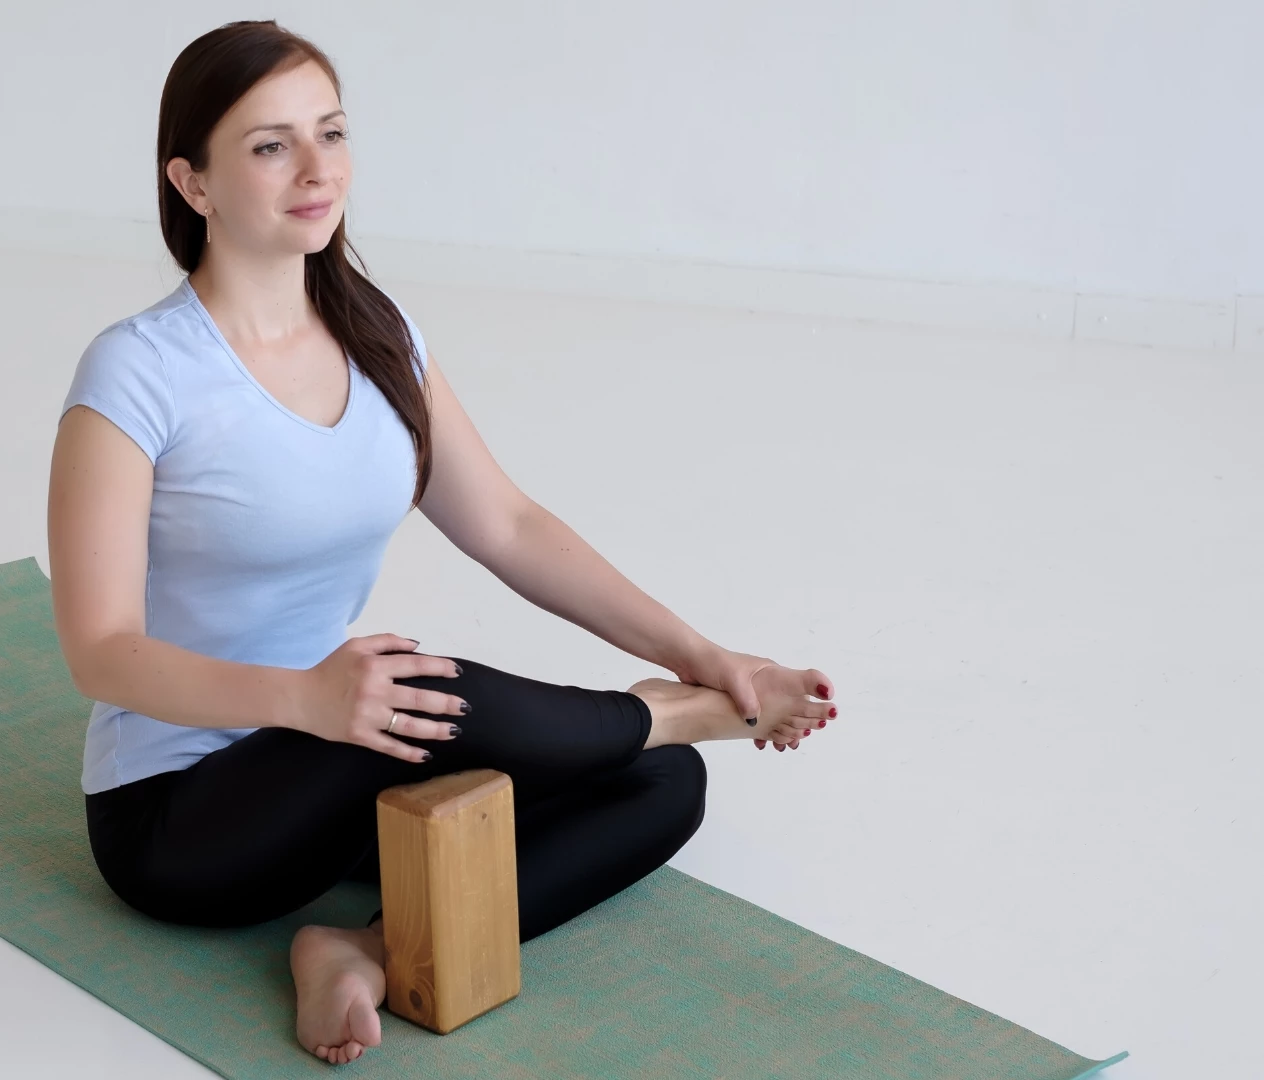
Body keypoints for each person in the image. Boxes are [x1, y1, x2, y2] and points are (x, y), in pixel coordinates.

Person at [44, 20, 837, 1068]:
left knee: (662, 784)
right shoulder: (136, 375)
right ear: (193, 183)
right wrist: (302, 700)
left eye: (331, 132)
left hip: (340, 748)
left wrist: (707, 651)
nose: (318, 169)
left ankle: (359, 951)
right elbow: (98, 650)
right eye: (271, 145)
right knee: (430, 684)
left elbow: (507, 525)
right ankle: (658, 713)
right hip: (184, 814)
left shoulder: (379, 334)